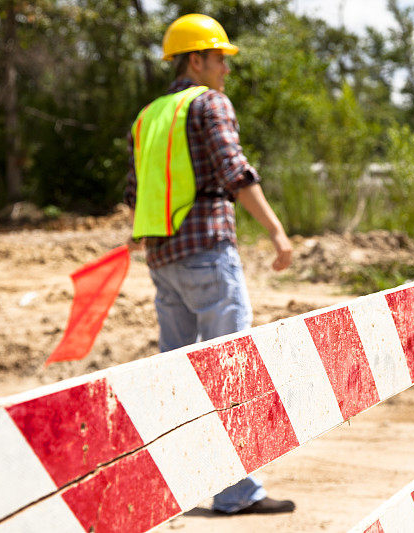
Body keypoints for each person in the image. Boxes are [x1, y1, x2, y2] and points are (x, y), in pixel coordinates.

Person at [124, 13, 295, 515]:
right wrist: (277, 231)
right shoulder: (208, 104)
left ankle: (168, 488)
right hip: (206, 254)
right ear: (195, 60)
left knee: (176, 372)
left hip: (162, 260)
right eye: (220, 58)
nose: (225, 69)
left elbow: (136, 192)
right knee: (230, 367)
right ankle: (236, 492)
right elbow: (234, 171)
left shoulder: (149, 115)